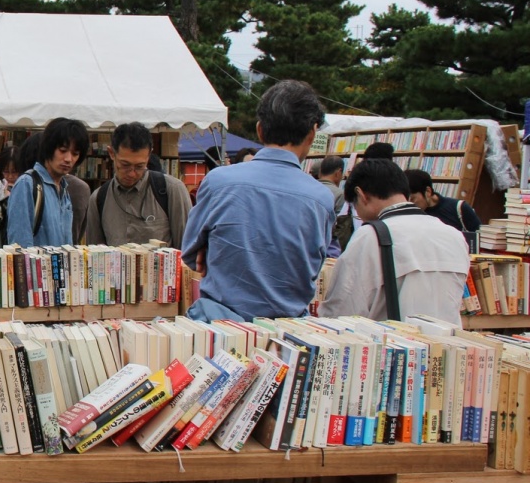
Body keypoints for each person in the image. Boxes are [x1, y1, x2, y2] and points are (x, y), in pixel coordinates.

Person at [181, 79, 335, 321]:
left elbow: (190, 255)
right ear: (312, 133)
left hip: (219, 326)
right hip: (288, 334)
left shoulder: (219, 182)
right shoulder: (321, 198)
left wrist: (217, 255)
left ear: (260, 129)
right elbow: (311, 268)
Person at [322, 159, 469, 324]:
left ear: (361, 195)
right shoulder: (455, 236)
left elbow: (340, 311)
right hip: (447, 345)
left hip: (391, 346)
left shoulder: (371, 236)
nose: (359, 216)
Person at [86, 122, 192, 248]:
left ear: (149, 155)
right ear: (111, 153)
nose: (132, 173)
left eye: (139, 166)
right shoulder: (98, 198)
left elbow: (187, 250)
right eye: (125, 165)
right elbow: (95, 255)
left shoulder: (172, 190)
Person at [6, 118, 89, 247]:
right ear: (48, 148)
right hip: (35, 266)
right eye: (62, 150)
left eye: (75, 153)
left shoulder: (63, 189)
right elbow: (19, 247)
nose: (68, 159)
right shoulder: (27, 184)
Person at [405, 168, 481, 234]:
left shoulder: (459, 208)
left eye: (412, 199)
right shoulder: (408, 215)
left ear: (428, 191)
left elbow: (479, 238)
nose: (409, 204)